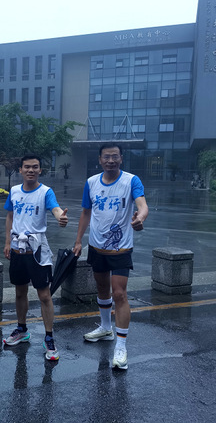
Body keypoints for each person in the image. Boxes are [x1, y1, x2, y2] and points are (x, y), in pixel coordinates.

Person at [72, 143, 148, 370]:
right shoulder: (91, 182)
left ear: (121, 158)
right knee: (102, 288)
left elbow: (142, 205)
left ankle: (121, 346)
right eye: (106, 157)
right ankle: (106, 328)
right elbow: (86, 212)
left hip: (120, 248)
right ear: (100, 159)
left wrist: (140, 218)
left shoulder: (131, 181)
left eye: (115, 156)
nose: (111, 160)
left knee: (119, 294)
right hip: (97, 246)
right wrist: (78, 240)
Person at [3, 154, 68, 361]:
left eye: (35, 167)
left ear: (40, 170)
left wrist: (60, 216)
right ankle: (22, 329)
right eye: (27, 167)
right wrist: (7, 242)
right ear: (20, 170)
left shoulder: (45, 192)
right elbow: (10, 216)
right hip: (18, 250)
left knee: (44, 295)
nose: (31, 170)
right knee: (20, 292)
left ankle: (49, 337)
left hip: (38, 251)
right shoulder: (14, 191)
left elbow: (55, 208)